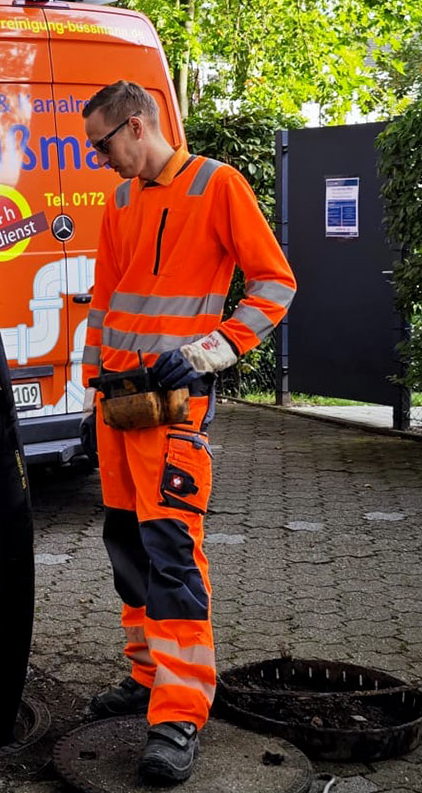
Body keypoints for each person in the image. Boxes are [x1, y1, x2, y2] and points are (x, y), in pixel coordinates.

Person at [78, 80, 296, 784]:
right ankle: (145, 678)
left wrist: (208, 352)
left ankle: (178, 713)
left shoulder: (217, 185)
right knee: (127, 552)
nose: (99, 159)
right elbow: (105, 300)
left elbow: (275, 284)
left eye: (103, 144)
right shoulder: (118, 201)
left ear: (136, 127)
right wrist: (92, 390)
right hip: (119, 410)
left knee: (171, 557)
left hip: (174, 411)